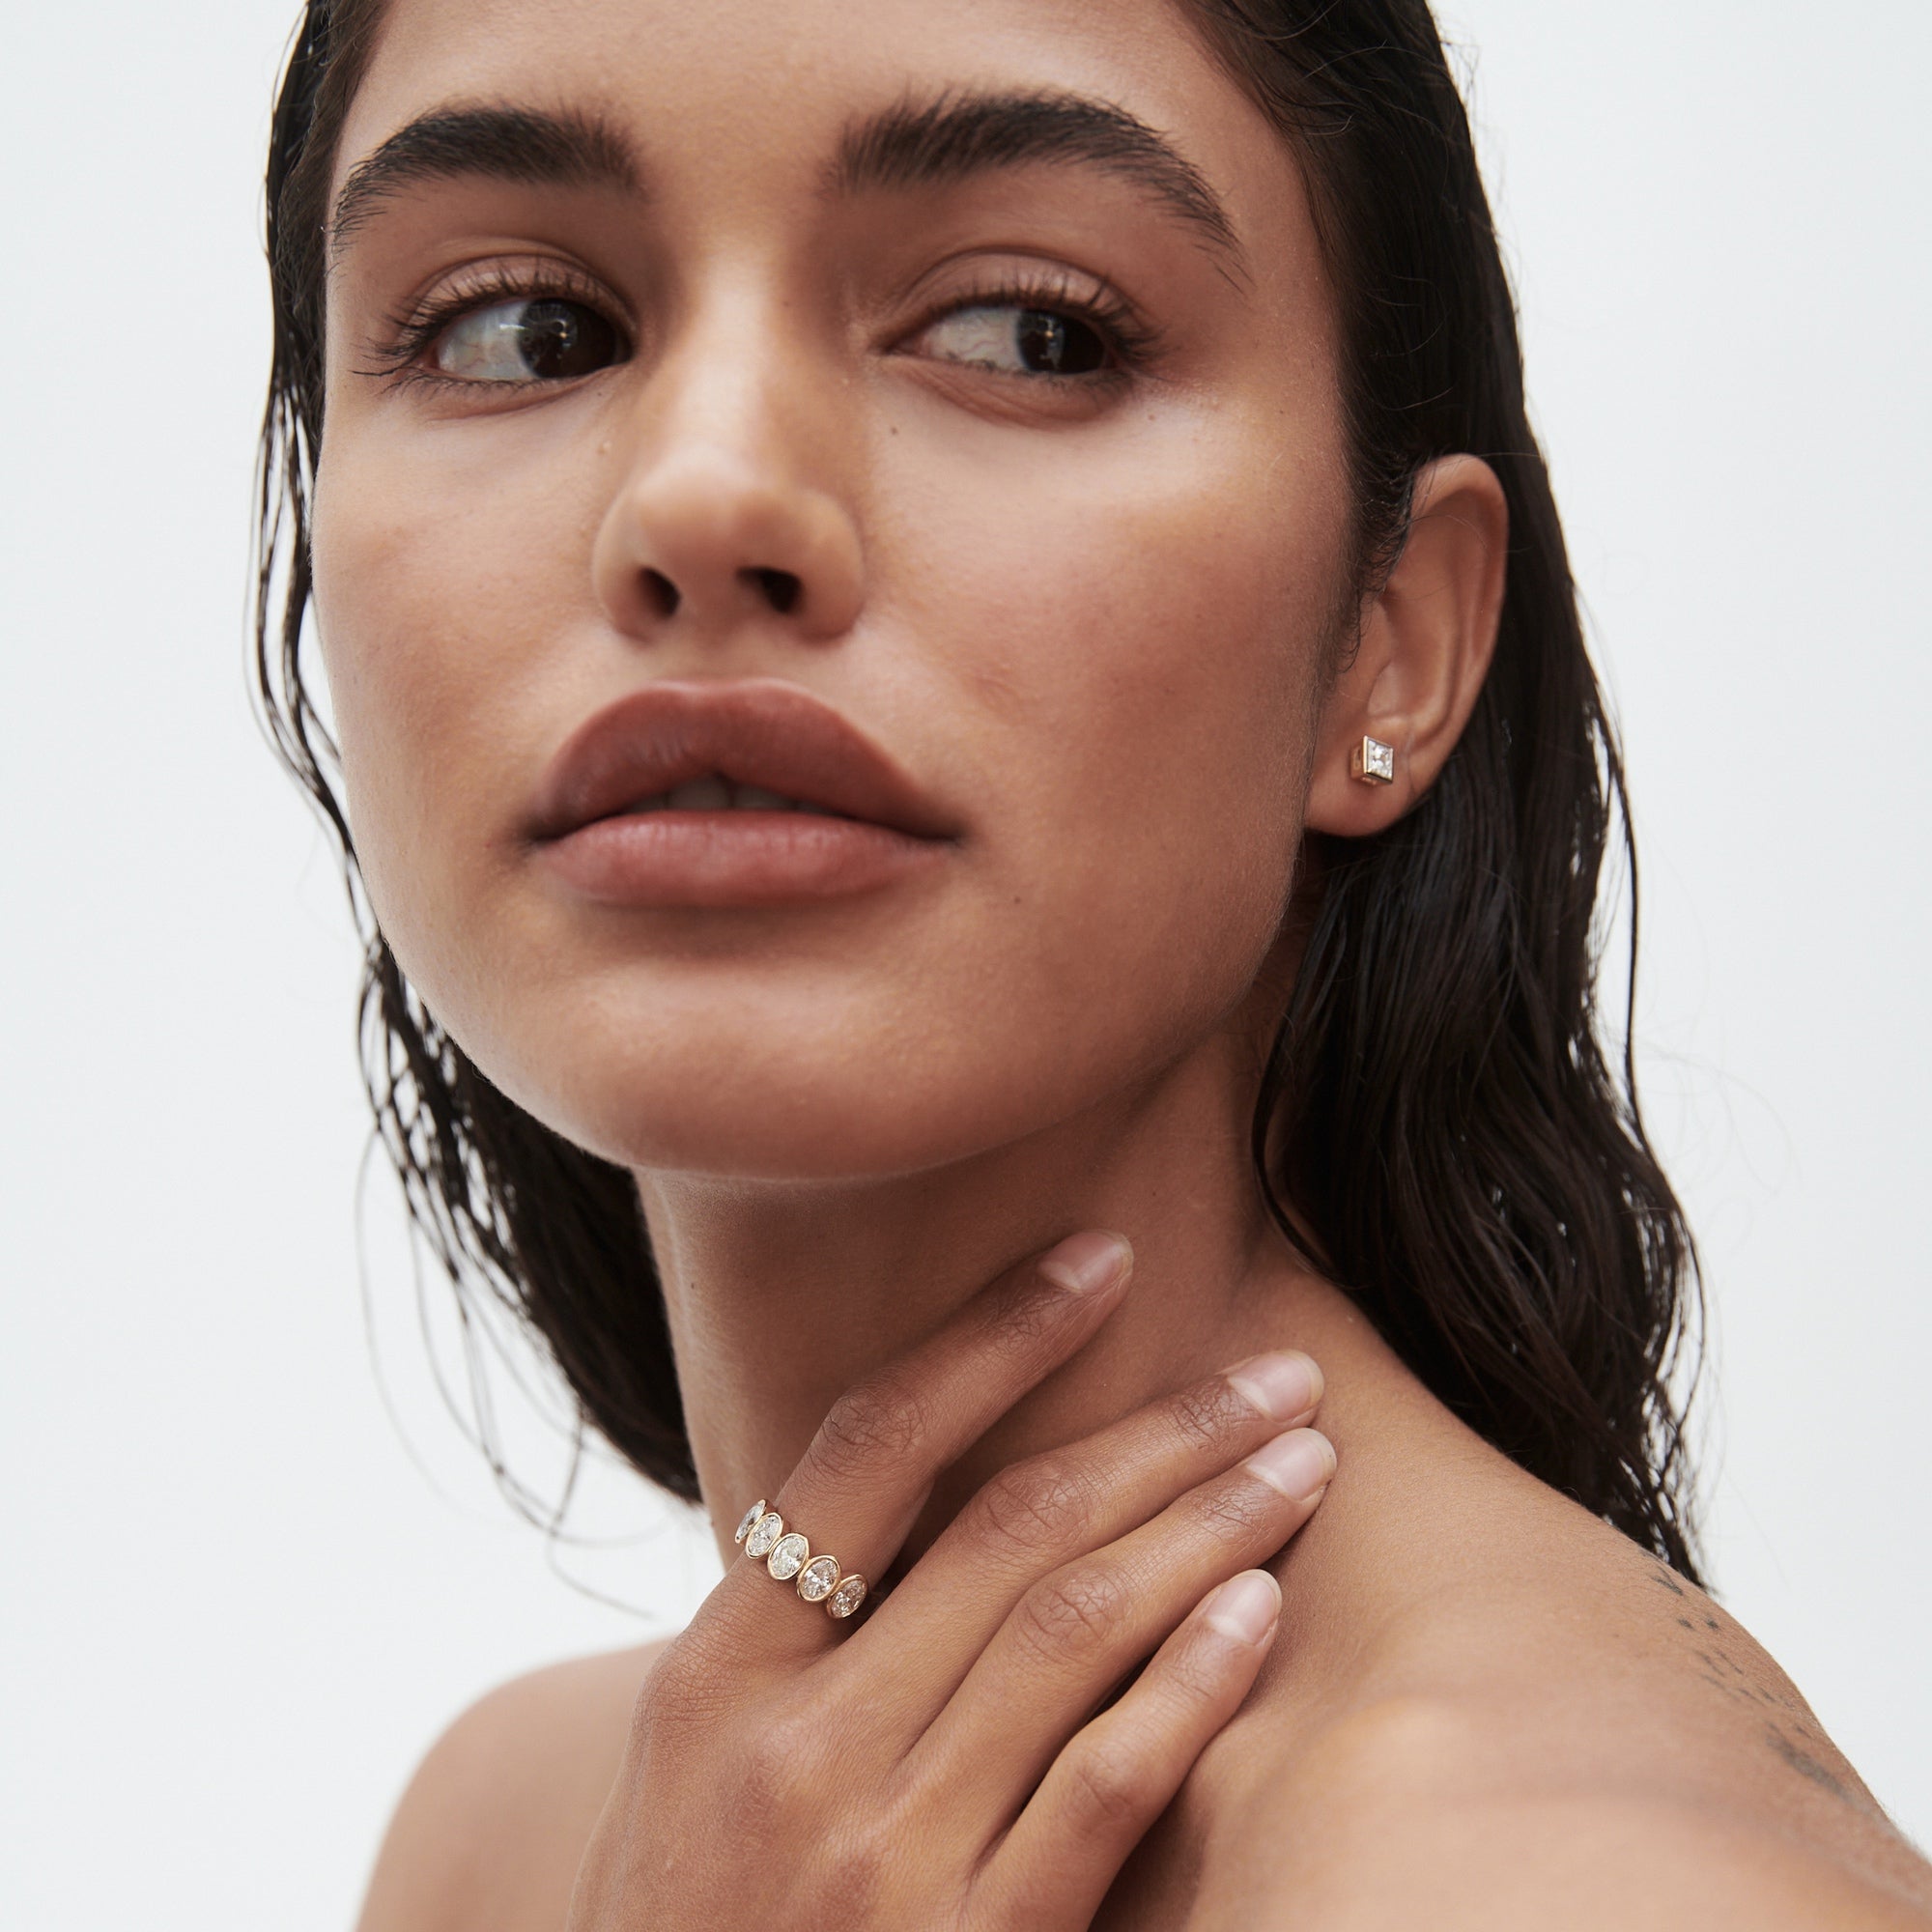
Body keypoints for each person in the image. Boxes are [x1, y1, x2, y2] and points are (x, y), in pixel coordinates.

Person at [255, 0, 1932, 1924]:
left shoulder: (1582, 1885)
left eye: (1026, 333)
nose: (705, 499)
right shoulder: (535, 1832)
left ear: (1390, 641)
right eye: (521, 330)